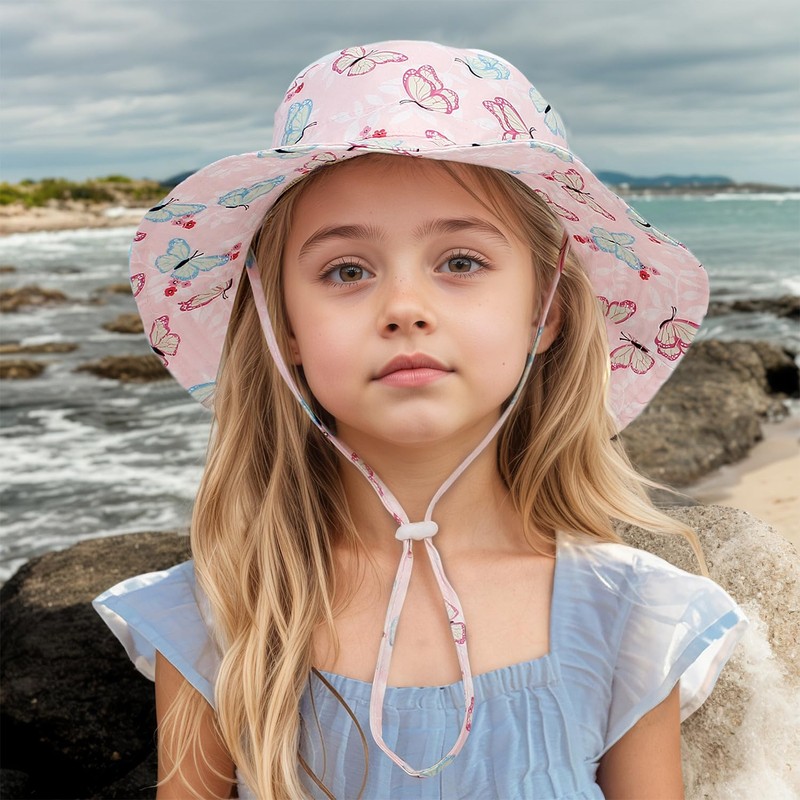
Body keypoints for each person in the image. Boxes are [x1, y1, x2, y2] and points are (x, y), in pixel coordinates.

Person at [93, 40, 748, 799]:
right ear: (285, 327)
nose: (405, 309)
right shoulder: (228, 613)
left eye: (461, 262)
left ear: (549, 309)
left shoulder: (631, 617)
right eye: (347, 271)